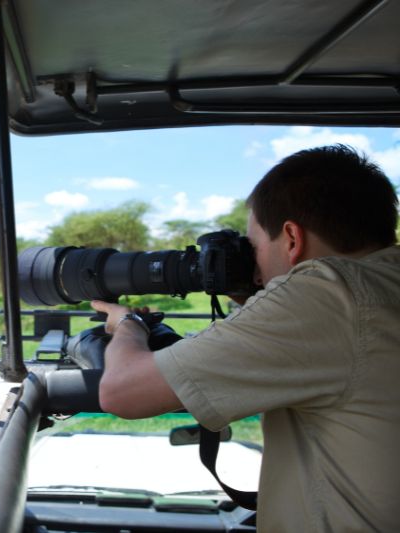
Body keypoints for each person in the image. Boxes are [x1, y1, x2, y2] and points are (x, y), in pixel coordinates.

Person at [92, 144, 400, 532]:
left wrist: (127, 326)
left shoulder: (326, 291)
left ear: (291, 238)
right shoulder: (380, 283)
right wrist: (254, 300)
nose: (252, 266)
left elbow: (122, 391)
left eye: (253, 247)